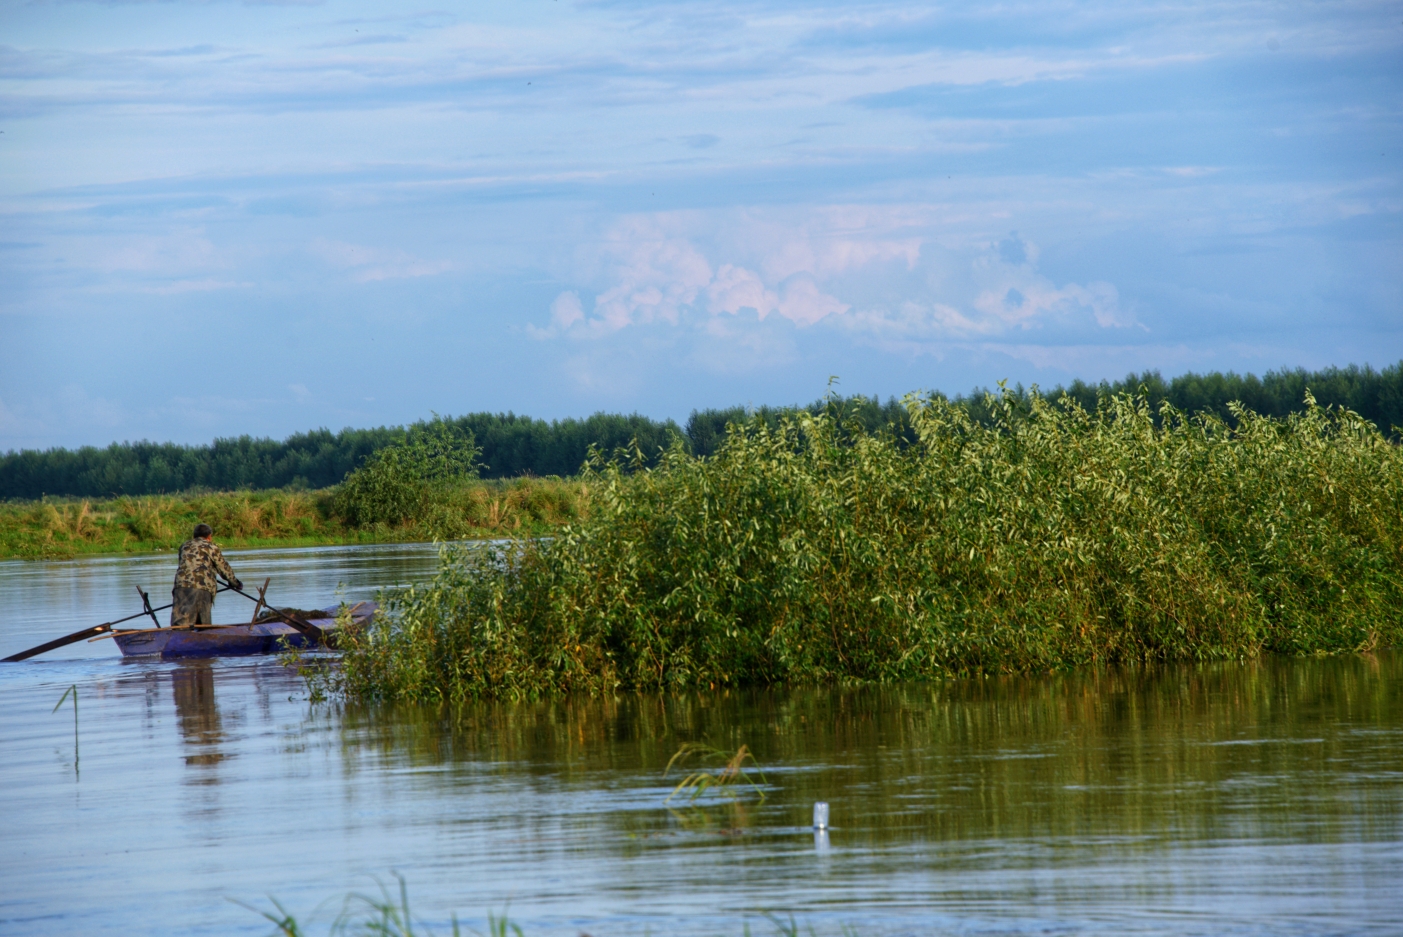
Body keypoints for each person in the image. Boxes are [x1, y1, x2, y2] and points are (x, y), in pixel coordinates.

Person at [170, 523, 242, 628]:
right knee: (204, 626)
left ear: (194, 536)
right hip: (202, 586)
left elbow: (185, 565)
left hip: (181, 586)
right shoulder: (211, 546)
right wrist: (235, 583)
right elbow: (223, 568)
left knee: (180, 624)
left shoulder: (184, 546)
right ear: (209, 536)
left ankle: (179, 640)